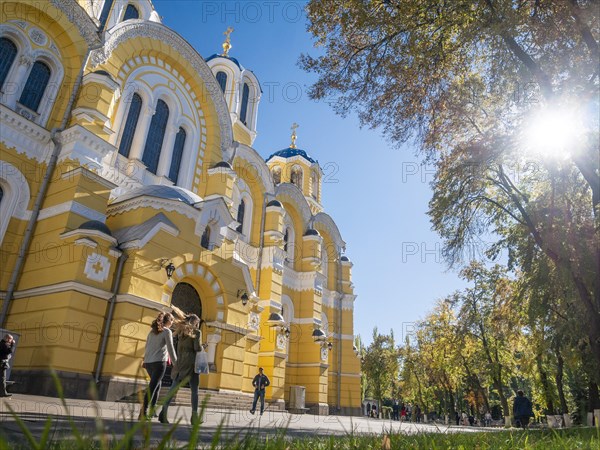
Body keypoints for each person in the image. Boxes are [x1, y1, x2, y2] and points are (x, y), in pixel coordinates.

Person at [158, 315, 203, 424]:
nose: (197, 325)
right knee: (194, 391)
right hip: (191, 364)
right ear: (195, 322)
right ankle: (194, 417)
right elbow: (197, 348)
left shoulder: (181, 333)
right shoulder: (197, 332)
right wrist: (203, 346)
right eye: (197, 323)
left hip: (180, 363)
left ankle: (163, 412)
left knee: (173, 388)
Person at [139, 312, 176, 420]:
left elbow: (146, 347)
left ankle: (152, 410)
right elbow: (171, 349)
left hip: (149, 363)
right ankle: (143, 412)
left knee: (157, 385)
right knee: (152, 387)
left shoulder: (152, 332)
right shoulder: (167, 331)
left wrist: (144, 361)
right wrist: (176, 364)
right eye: (172, 321)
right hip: (159, 363)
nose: (172, 323)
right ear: (168, 321)